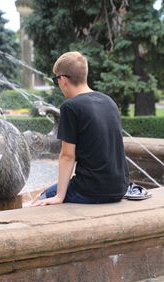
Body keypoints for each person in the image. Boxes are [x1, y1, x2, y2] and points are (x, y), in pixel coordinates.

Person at [31, 51, 129, 206]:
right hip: (119, 188)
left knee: (40, 199)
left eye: (56, 81)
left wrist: (59, 196)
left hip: (91, 191)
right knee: (49, 192)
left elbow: (67, 156)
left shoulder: (70, 107)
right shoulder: (108, 101)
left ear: (63, 80)